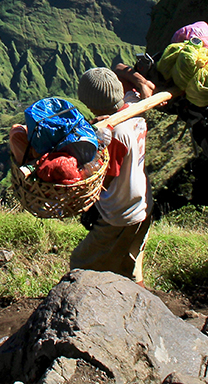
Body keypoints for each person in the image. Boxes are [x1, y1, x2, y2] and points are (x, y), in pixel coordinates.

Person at [70, 66, 154, 285]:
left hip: (120, 213)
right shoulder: (135, 106)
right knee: (131, 267)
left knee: (81, 264)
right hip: (144, 203)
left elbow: (103, 179)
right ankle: (142, 306)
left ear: (91, 104)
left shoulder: (113, 134)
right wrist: (142, 83)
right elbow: (119, 68)